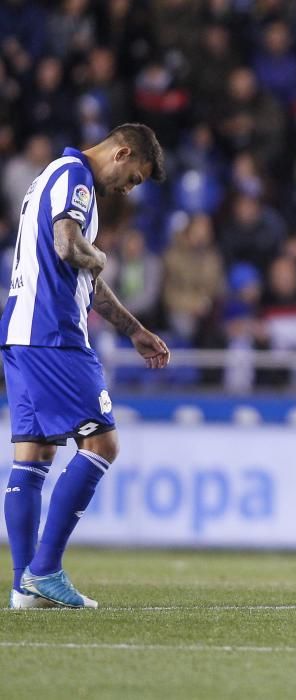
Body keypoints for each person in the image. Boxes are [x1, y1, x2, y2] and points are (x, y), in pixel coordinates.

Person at [1, 124, 170, 609]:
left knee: (33, 457)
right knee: (102, 443)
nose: (128, 188)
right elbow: (67, 246)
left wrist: (134, 329)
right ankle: (46, 569)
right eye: (133, 178)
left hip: (20, 332)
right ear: (121, 153)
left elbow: (84, 280)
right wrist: (99, 254)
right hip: (54, 334)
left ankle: (24, 588)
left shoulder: (51, 177)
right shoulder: (76, 176)